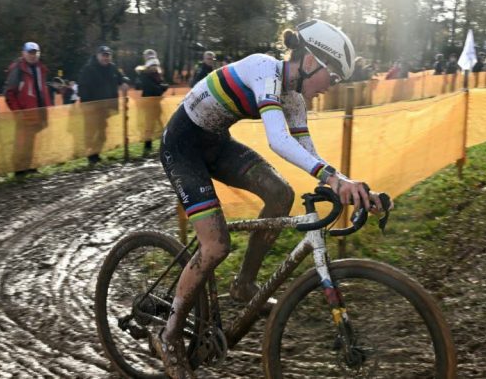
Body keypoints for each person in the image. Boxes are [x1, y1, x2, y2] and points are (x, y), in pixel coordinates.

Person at [152, 19, 384, 379]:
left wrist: (348, 186)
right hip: (182, 147)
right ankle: (168, 337)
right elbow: (278, 140)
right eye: (333, 76)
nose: (331, 86)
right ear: (311, 62)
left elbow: (309, 153)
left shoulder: (294, 99)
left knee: (280, 193)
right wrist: (332, 178)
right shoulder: (264, 70)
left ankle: (244, 285)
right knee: (215, 246)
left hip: (216, 143)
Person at [4, 41, 52, 177]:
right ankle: (19, 170)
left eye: (35, 52)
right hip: (23, 112)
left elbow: (42, 90)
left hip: (38, 111)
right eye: (30, 52)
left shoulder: (41, 69)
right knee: (21, 141)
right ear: (23, 53)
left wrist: (46, 109)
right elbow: (9, 93)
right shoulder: (17, 69)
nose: (33, 55)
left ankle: (31, 166)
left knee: (33, 141)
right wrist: (18, 112)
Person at [77, 45, 129, 164]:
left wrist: (124, 82)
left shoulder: (113, 68)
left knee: (103, 134)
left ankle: (95, 155)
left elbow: (121, 78)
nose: (106, 58)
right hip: (91, 108)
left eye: (108, 55)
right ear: (97, 55)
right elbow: (82, 87)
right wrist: (88, 104)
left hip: (105, 108)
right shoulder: (88, 69)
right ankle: (91, 156)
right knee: (90, 132)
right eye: (103, 55)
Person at [137, 57, 168, 153]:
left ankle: (163, 144)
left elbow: (161, 86)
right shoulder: (145, 76)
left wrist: (162, 87)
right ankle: (147, 146)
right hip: (148, 105)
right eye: (152, 66)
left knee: (159, 125)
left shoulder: (157, 75)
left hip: (156, 105)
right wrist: (162, 88)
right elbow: (153, 89)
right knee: (149, 125)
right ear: (149, 67)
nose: (154, 67)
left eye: (156, 65)